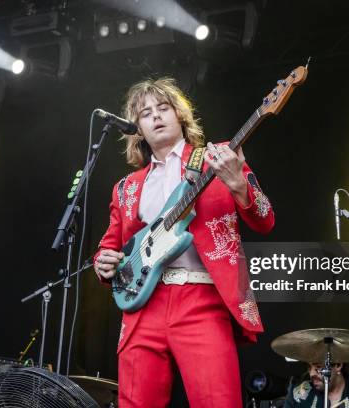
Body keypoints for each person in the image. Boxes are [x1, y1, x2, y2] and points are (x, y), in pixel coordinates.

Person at [93, 77, 275, 407]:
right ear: (137, 128)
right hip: (143, 307)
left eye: (163, 108)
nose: (156, 116)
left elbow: (265, 219)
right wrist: (103, 262)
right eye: (146, 113)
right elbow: (109, 246)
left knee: (218, 401)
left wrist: (238, 185)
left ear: (180, 116)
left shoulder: (218, 158)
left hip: (201, 299)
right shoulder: (126, 187)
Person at [284, 363, 349, 407]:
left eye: (318, 367)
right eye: (309, 367)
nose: (311, 374)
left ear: (338, 365)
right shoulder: (297, 393)